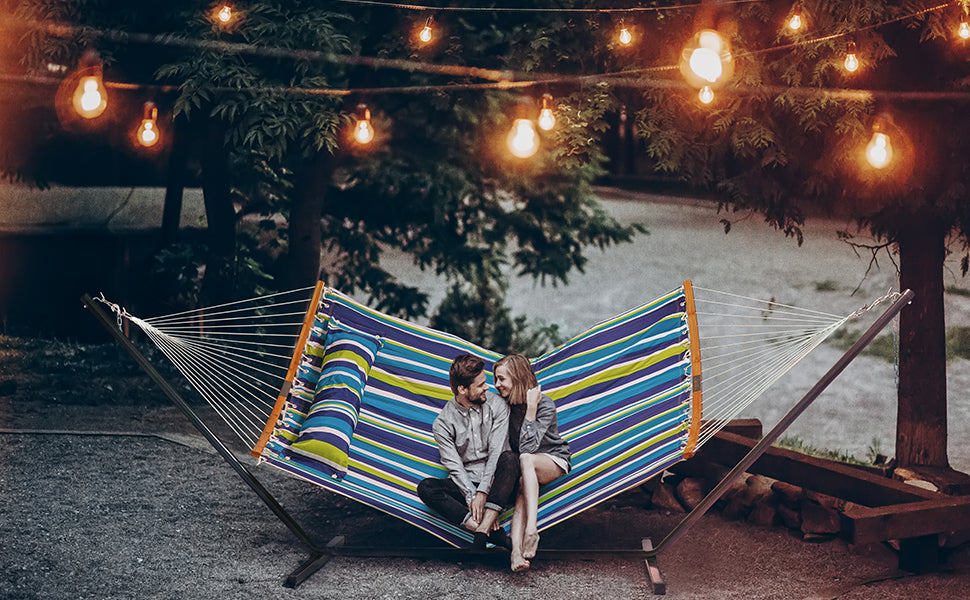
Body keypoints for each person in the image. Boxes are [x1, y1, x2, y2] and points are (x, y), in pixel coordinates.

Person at [417, 354, 518, 550]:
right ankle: (484, 529)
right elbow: (454, 466)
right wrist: (472, 497)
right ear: (462, 389)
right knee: (426, 488)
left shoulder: (497, 405)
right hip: (467, 483)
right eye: (480, 385)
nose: (488, 387)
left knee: (511, 459)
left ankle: (485, 525)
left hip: (500, 482)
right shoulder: (442, 424)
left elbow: (497, 452)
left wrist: (483, 493)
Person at [493, 353, 571, 572]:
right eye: (496, 379)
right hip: (526, 468)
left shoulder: (544, 404)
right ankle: (516, 555)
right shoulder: (505, 407)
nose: (497, 385)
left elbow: (529, 448)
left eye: (501, 379)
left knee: (526, 459)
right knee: (521, 496)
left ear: (517, 377)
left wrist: (531, 410)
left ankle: (531, 530)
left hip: (553, 460)